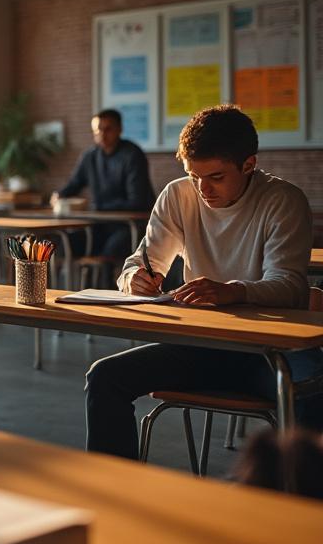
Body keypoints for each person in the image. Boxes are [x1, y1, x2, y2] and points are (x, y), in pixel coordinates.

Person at [85, 105, 321, 459]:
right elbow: (137, 263)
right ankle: (114, 492)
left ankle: (303, 503)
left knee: (313, 387)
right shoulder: (179, 195)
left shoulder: (283, 200)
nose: (202, 188)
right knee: (104, 377)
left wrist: (233, 290)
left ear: (249, 164)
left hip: (270, 353)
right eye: (194, 175)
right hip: (200, 345)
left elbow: (290, 287)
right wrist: (136, 278)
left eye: (215, 177)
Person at [53, 108, 156, 259]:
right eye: (97, 130)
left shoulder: (133, 155)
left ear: (119, 129)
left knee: (111, 250)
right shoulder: (89, 156)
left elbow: (137, 201)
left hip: (131, 226)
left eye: (108, 129)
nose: (102, 134)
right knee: (67, 243)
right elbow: (75, 183)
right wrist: (59, 195)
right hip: (100, 224)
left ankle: (103, 281)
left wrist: (99, 208)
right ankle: (73, 282)